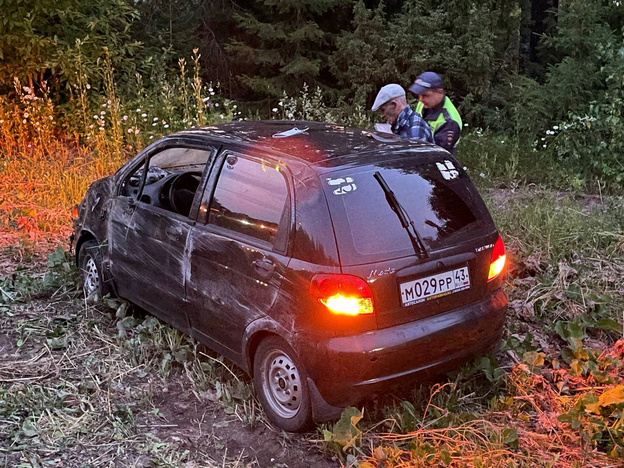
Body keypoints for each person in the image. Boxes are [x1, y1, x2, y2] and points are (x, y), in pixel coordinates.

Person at [408, 72, 462, 154]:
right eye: (419, 95)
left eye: (425, 95)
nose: (420, 99)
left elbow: (436, 154)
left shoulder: (449, 122)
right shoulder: (425, 103)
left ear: (439, 92)